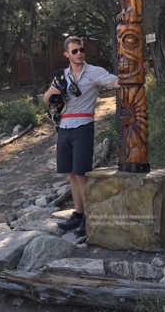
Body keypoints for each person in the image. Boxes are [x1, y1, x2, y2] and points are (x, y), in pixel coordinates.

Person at [43, 36, 120, 237]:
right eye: (74, 51)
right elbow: (46, 98)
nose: (79, 54)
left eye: (82, 50)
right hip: (64, 127)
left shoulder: (94, 72)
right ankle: (78, 214)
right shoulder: (61, 76)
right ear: (66, 54)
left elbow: (114, 82)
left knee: (81, 173)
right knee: (70, 173)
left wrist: (131, 77)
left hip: (83, 125)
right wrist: (55, 96)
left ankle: (89, 218)